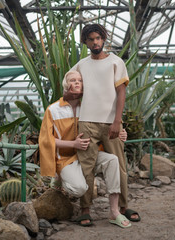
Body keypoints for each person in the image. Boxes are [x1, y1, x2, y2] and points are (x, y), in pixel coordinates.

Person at [67, 23, 141, 223]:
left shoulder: (116, 62)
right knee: (86, 166)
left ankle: (123, 207)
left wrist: (117, 121)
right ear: (85, 42)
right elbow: (69, 88)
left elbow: (121, 92)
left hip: (111, 123)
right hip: (87, 123)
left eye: (98, 38)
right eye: (90, 39)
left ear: (104, 39)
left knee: (120, 165)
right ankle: (85, 209)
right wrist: (71, 93)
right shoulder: (81, 65)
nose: (95, 42)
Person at [39, 70, 131, 228]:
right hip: (66, 160)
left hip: (89, 155)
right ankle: (61, 178)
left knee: (113, 160)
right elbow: (46, 140)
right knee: (79, 188)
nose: (76, 83)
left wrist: (121, 132)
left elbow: (103, 129)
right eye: (72, 80)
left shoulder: (90, 109)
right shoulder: (53, 110)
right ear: (65, 85)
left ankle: (114, 211)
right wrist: (73, 144)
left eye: (80, 80)